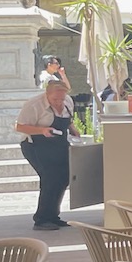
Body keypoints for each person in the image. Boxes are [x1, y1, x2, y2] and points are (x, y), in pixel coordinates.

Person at [15, 79, 79, 231]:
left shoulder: (67, 101)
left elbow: (67, 119)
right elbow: (19, 126)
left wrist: (72, 128)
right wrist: (42, 130)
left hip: (58, 144)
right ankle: (41, 219)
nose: (59, 102)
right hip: (35, 145)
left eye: (61, 98)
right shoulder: (34, 105)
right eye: (55, 99)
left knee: (63, 178)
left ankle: (53, 216)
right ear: (47, 94)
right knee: (50, 178)